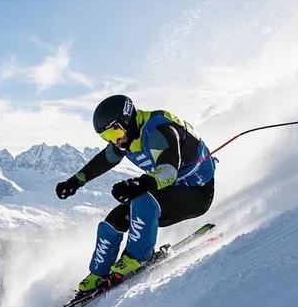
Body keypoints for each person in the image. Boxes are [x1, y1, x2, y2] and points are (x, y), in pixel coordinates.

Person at [55, 94, 216, 294]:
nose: (115, 141)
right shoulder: (127, 137)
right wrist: (75, 181)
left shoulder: (159, 130)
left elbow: (168, 171)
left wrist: (138, 184)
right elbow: (104, 160)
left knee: (143, 199)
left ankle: (138, 258)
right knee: (114, 219)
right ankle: (98, 273)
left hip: (197, 192)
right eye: (107, 137)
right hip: (169, 190)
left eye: (114, 132)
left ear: (127, 120)